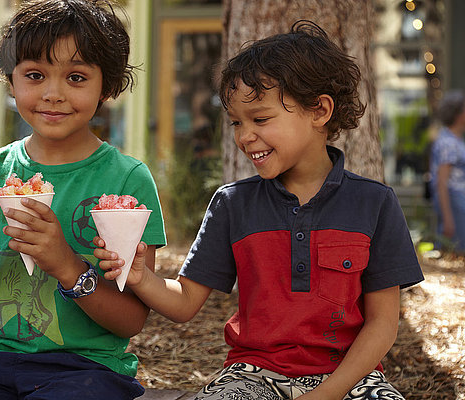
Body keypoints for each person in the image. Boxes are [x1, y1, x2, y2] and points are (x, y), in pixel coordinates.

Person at [95, 21, 424, 400]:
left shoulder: (375, 203)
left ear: (319, 110)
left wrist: (326, 394)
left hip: (350, 379)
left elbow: (383, 324)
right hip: (252, 377)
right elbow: (185, 302)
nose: (244, 136)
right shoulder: (232, 203)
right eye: (236, 122)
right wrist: (140, 277)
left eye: (260, 119)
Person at [0, 0, 166, 398]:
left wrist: (66, 265)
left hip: (88, 369)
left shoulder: (126, 180)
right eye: (35, 74)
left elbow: (130, 321)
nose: (53, 93)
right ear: (10, 80)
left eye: (76, 77)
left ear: (108, 85)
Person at [429, 90, 465, 254]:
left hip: (459, 204)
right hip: (455, 205)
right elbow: (441, 182)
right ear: (458, 114)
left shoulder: (455, 140)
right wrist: (448, 218)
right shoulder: (447, 142)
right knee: (455, 250)